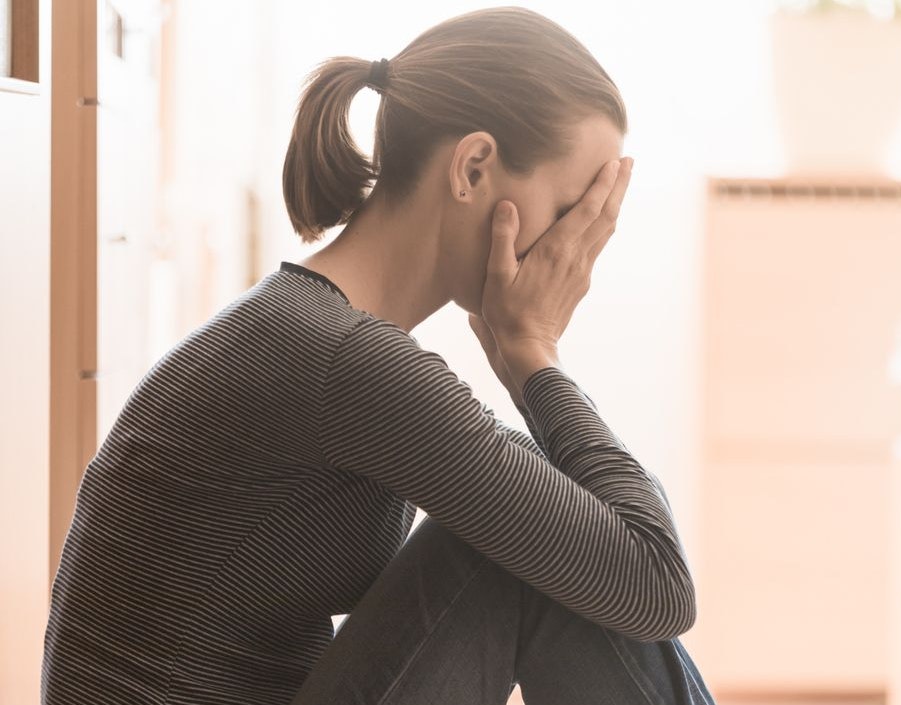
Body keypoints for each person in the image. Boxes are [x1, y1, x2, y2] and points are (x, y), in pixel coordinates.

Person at [40, 6, 715, 705]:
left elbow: (593, 535)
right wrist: (534, 351)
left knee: (545, 528)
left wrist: (531, 364)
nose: (575, 249)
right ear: (474, 166)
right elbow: (658, 581)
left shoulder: (314, 330)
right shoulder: (342, 359)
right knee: (521, 550)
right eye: (571, 209)